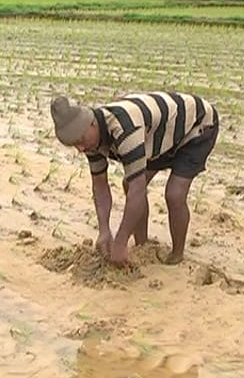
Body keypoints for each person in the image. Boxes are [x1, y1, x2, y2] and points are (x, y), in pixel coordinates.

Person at [50, 90, 220, 266]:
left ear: (92, 124)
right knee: (128, 184)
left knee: (174, 194)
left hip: (197, 125)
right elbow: (99, 186)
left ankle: (177, 256)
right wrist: (104, 230)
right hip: (158, 134)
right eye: (74, 145)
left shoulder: (124, 129)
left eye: (81, 140)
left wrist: (121, 240)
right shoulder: (89, 141)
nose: (80, 148)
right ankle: (142, 246)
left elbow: (137, 190)